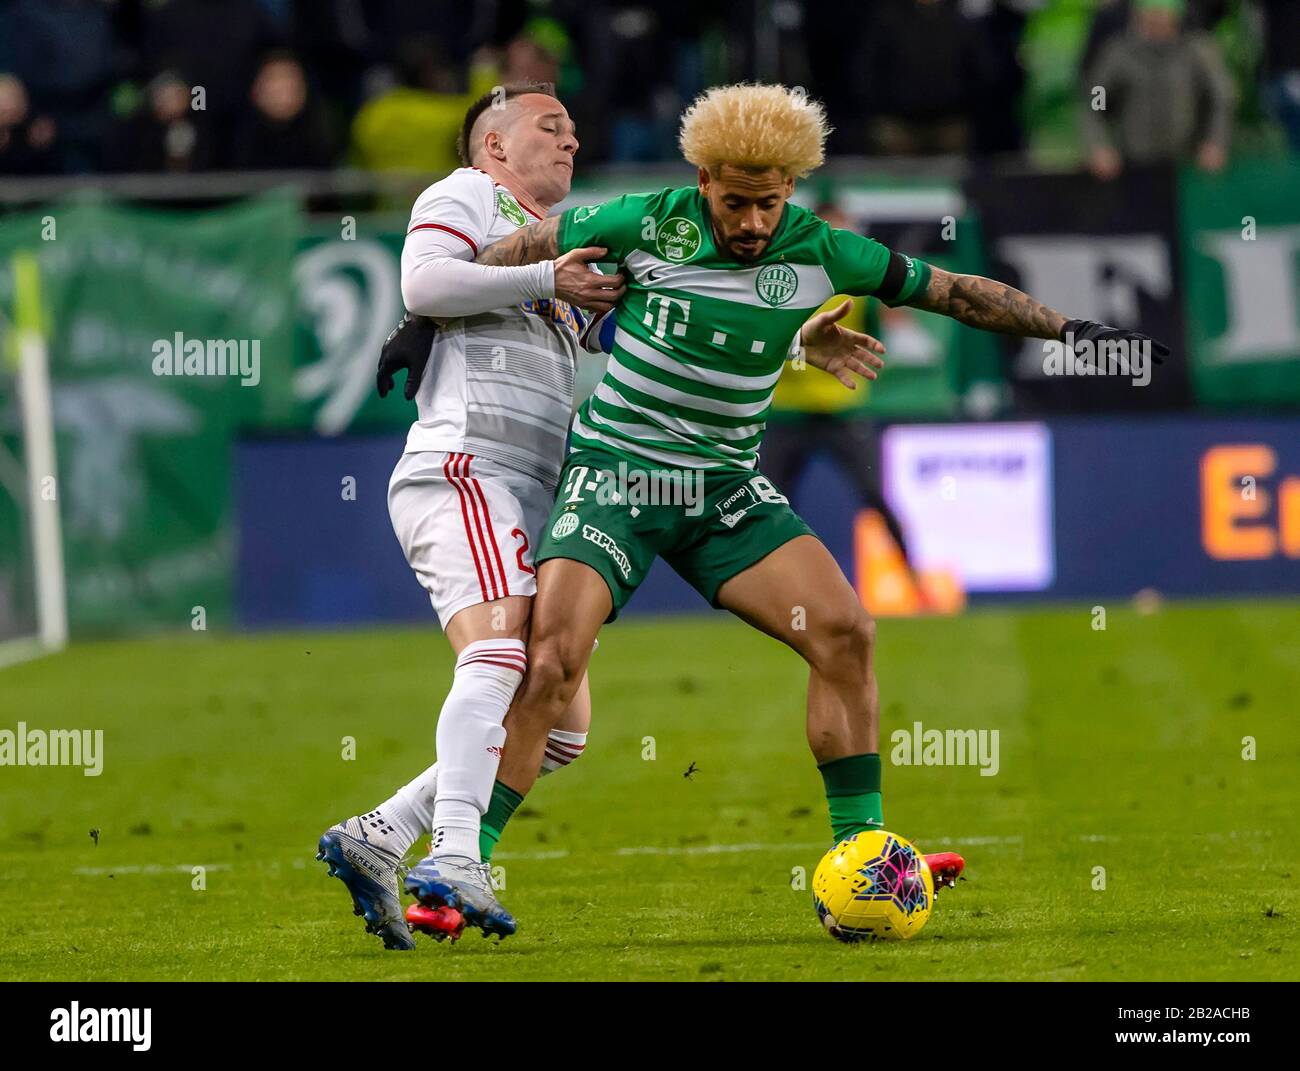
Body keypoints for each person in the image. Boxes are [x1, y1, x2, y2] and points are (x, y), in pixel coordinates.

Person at [409, 82, 1166, 930]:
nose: (755, 223)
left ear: (792, 191)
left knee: (845, 631)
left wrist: (1074, 333)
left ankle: (868, 855)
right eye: (736, 202)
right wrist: (416, 323)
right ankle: (458, 871)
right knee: (549, 662)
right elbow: (523, 244)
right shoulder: (643, 220)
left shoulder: (821, 249)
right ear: (703, 179)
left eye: (770, 204)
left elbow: (952, 290)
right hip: (618, 474)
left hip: (725, 486)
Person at [317, 81, 625, 948]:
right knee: (497, 653)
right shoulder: (466, 195)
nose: (570, 141)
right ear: (492, 146)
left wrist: (793, 340)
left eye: (575, 129)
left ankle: (379, 832)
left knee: (559, 724)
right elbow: (423, 280)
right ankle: (455, 851)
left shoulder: (571, 251)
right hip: (465, 466)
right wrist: (540, 274)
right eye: (548, 127)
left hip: (530, 491)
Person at [1082, 0, 1235, 180]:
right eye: (1151, 16)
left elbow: (1221, 96)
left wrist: (1215, 142)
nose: (1157, 22)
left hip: (1189, 167)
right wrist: (1099, 145)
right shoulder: (1118, 53)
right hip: (1134, 165)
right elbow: (1096, 100)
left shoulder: (1198, 50)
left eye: (1163, 15)